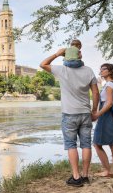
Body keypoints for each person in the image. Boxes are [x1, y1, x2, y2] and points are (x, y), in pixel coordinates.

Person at [40, 48, 99, 187]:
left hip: (69, 114)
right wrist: (94, 111)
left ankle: (76, 177)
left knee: (71, 145)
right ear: (79, 56)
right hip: (85, 113)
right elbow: (95, 92)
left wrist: (56, 54)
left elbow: (43, 64)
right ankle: (85, 175)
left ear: (65, 57)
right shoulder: (88, 70)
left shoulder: (62, 70)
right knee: (86, 145)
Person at [91, 63, 113, 180]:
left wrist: (97, 114)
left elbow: (108, 103)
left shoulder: (109, 85)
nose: (101, 71)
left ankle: (107, 171)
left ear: (110, 71)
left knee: (96, 144)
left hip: (107, 117)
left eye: (103, 69)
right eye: (100, 69)